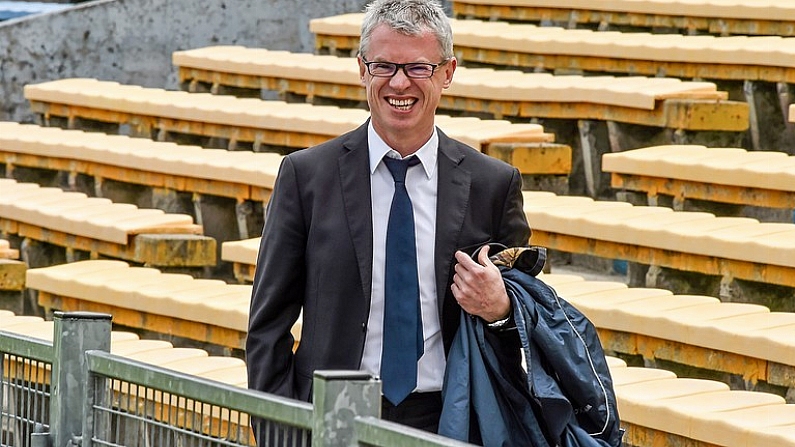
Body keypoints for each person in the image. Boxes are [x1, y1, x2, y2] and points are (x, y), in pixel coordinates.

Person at [246, 0, 530, 435]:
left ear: (448, 73)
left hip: (451, 420)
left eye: (418, 68)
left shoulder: (493, 184)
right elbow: (267, 327)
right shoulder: (306, 177)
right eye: (384, 66)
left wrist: (501, 309)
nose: (399, 83)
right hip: (333, 419)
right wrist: (278, 433)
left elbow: (524, 323)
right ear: (362, 69)